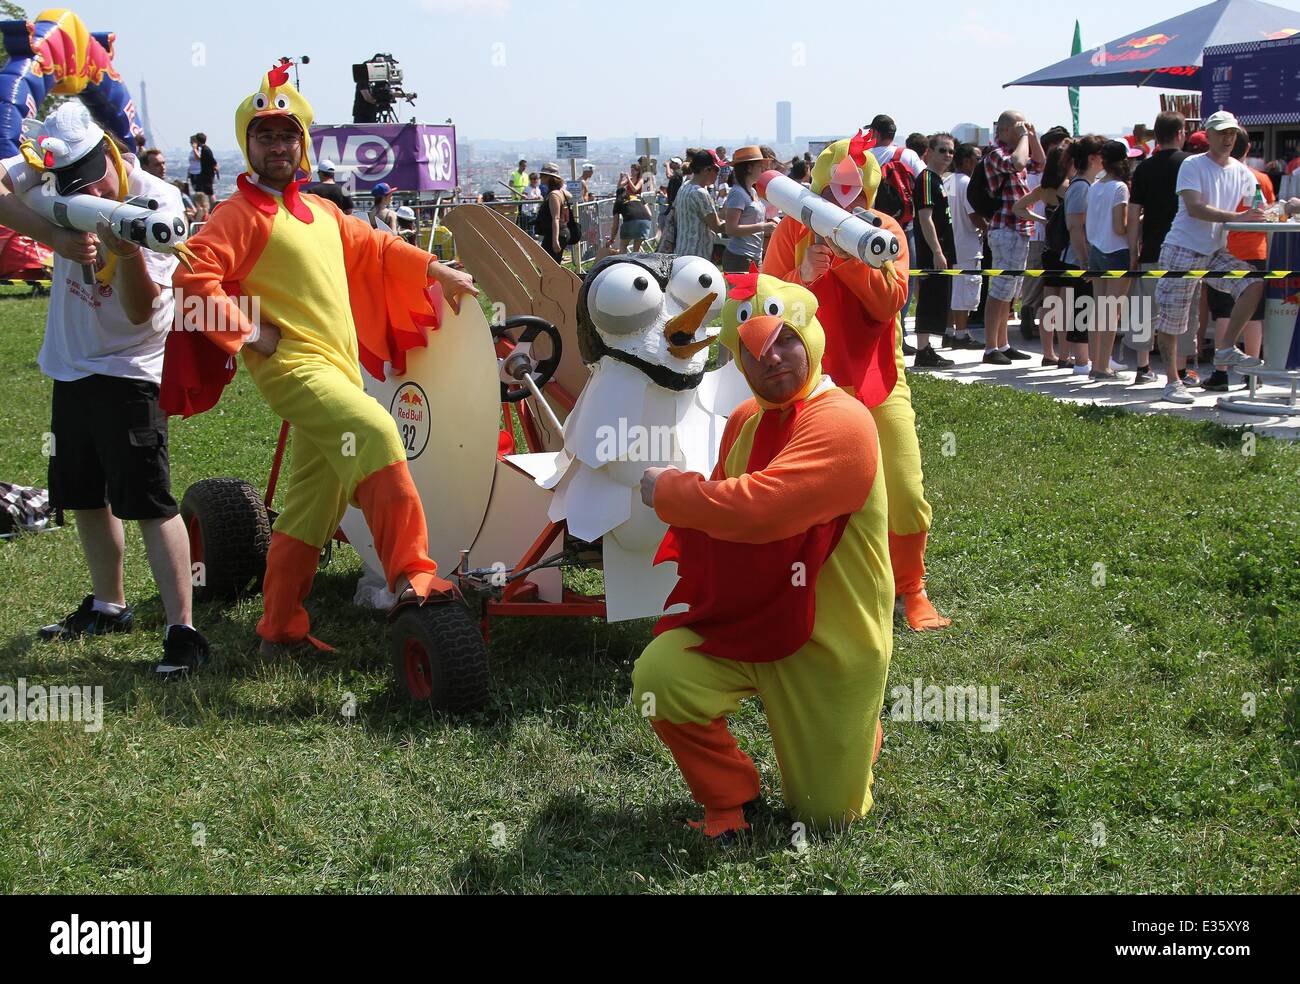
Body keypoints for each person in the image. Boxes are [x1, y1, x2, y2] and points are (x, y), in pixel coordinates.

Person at [162, 62, 479, 655]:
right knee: (378, 429)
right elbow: (190, 280)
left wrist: (435, 268)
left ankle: (279, 630)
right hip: (294, 372)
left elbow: (380, 247)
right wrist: (250, 335)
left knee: (315, 500)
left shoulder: (322, 211)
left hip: (336, 370)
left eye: (287, 135)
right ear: (247, 145)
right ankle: (413, 572)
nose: (277, 145)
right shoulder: (237, 215)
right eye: (264, 136)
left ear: (301, 143)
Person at [633, 271, 891, 840]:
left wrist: (673, 492)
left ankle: (857, 731)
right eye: (751, 352)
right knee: (662, 675)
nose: (771, 360)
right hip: (753, 622)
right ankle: (728, 798)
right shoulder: (745, 420)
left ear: (811, 336)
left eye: (784, 341)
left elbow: (758, 510)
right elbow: (729, 527)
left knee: (827, 817)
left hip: (830, 645)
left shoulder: (845, 422)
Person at [0, 103, 209, 674]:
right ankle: (108, 604)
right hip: (71, 365)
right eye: (68, 182)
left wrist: (128, 254)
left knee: (149, 502)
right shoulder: (49, 175)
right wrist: (54, 234)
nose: (80, 189)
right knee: (84, 494)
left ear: (109, 154)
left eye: (87, 176)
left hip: (129, 371)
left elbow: (143, 313)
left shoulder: (157, 203)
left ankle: (182, 631)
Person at [765, 134, 950, 631]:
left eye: (853, 194)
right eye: (832, 193)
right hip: (813, 385)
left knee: (905, 491)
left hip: (880, 380)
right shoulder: (791, 229)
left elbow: (889, 303)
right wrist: (802, 273)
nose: (842, 203)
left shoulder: (886, 231)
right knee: (808, 494)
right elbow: (767, 311)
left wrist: (850, 260)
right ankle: (810, 585)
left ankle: (911, 587)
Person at [1152, 111, 1300, 405]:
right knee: (1172, 320)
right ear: (1208, 135)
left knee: (1253, 285)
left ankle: (1226, 346)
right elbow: (1195, 208)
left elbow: (1259, 209)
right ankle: (1172, 381)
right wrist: (1241, 216)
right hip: (1182, 247)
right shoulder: (1193, 164)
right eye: (1222, 132)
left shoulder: (1242, 170)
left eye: (1232, 133)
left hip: (1214, 251)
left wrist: (1287, 206)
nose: (1228, 138)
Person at [1202, 132, 1276, 392]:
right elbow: (1271, 213)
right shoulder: (1262, 179)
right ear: (1249, 149)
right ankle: (1253, 374)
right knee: (1254, 316)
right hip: (1256, 251)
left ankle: (1220, 374)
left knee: (1224, 313)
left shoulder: (1220, 177)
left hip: (1224, 250)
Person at [1126, 112, 1188, 386]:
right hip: (1184, 248)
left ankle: (1142, 367)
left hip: (1151, 246)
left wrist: (1132, 251)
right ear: (1180, 133)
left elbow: (1134, 212)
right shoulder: (1191, 164)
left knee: (1143, 310)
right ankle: (1181, 370)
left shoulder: (1143, 168)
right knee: (1182, 312)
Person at [981, 111, 1045, 364]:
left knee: (1011, 291)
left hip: (1019, 229)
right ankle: (990, 347)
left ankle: (1003, 343)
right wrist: (1022, 136)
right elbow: (1019, 163)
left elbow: (1039, 162)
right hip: (1004, 228)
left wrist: (1032, 135)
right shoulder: (996, 154)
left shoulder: (1019, 148)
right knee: (999, 290)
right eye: (1018, 126)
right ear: (1006, 129)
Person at [1013, 141, 1075, 366]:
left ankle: (1048, 354)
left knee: (1049, 306)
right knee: (1066, 306)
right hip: (1067, 252)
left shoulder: (1044, 189)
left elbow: (1017, 208)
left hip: (1050, 250)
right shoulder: (1069, 188)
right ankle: (1065, 355)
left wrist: (1041, 220)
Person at [867, 115, 925, 347]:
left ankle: (879, 330)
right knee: (903, 280)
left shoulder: (866, 158)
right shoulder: (907, 155)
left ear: (874, 133)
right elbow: (925, 181)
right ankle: (900, 335)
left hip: (872, 228)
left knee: (874, 279)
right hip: (904, 229)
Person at [1083, 140, 1134, 381]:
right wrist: (1138, 219)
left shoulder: (1093, 186)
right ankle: (1103, 366)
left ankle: (1097, 363)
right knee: (1111, 313)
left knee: (1098, 310)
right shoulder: (1120, 188)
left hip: (1095, 250)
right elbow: (1119, 226)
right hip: (1116, 251)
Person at [911, 133, 957, 368]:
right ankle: (923, 351)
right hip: (932, 252)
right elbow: (925, 218)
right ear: (929, 152)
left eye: (951, 151)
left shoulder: (938, 179)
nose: (948, 155)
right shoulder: (927, 179)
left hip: (942, 250)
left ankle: (927, 348)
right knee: (929, 300)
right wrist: (937, 252)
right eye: (942, 150)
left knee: (937, 300)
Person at [1060, 134, 1105, 375]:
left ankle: (1091, 358)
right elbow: (1075, 227)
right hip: (1079, 259)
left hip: (1085, 257)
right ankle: (1081, 361)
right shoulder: (1080, 187)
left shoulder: (1086, 185)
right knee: (1082, 309)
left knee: (1087, 308)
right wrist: (1085, 260)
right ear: (1093, 158)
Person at [944, 143, 985, 350]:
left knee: (954, 290)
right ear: (967, 161)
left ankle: (949, 330)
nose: (980, 163)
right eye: (977, 159)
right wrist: (988, 228)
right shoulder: (967, 182)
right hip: (967, 244)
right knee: (965, 291)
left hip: (952, 244)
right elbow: (974, 215)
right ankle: (961, 334)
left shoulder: (948, 181)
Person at [720, 145, 777, 273]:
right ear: (749, 168)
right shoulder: (738, 193)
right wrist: (763, 227)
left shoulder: (751, 191)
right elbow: (731, 229)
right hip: (740, 257)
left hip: (753, 256)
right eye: (760, 166)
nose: (763, 169)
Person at [672, 149, 725, 259]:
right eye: (717, 170)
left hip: (682, 251)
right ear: (706, 170)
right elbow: (717, 227)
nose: (717, 175)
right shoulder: (700, 193)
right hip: (696, 256)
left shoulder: (685, 186)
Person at [608, 161, 654, 253]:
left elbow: (635, 189)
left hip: (630, 218)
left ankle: (623, 263)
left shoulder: (640, 180)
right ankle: (636, 263)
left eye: (633, 170)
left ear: (637, 171)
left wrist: (612, 239)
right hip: (644, 219)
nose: (631, 172)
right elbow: (649, 213)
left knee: (623, 246)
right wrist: (621, 178)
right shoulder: (638, 198)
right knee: (636, 250)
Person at [535, 161, 574, 263]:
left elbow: (555, 218)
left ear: (549, 178)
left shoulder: (554, 195)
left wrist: (555, 240)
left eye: (543, 175)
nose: (540, 178)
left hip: (556, 233)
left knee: (548, 264)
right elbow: (570, 196)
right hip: (561, 232)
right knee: (552, 263)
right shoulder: (560, 193)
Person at [190, 132, 218, 198]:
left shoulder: (205, 149)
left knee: (209, 191)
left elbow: (211, 160)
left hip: (207, 174)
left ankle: (212, 204)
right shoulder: (204, 149)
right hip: (206, 174)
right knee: (206, 191)